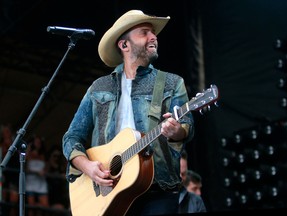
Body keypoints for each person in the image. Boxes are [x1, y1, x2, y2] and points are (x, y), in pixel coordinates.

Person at [62, 10, 194, 216]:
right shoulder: (99, 87)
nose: (153, 37)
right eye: (144, 33)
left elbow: (187, 125)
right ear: (124, 45)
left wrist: (176, 130)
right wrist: (87, 166)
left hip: (158, 189)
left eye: (153, 33)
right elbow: (71, 137)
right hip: (109, 192)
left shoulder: (171, 83)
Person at [25, 135, 49, 216]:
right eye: (36, 142)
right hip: (31, 182)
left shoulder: (43, 155)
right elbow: (25, 167)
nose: (38, 144)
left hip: (41, 183)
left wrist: (44, 171)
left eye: (39, 142)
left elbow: (46, 167)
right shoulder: (28, 154)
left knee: (44, 207)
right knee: (31, 208)